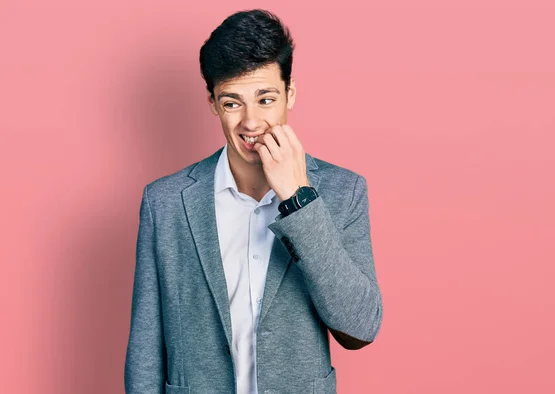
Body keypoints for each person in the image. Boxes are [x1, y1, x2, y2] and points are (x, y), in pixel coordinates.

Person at [124, 9, 383, 394]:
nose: (250, 122)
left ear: (289, 94)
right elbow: (145, 349)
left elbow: (360, 327)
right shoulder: (165, 203)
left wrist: (299, 199)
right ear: (213, 103)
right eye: (232, 103)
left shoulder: (343, 191)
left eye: (265, 99)